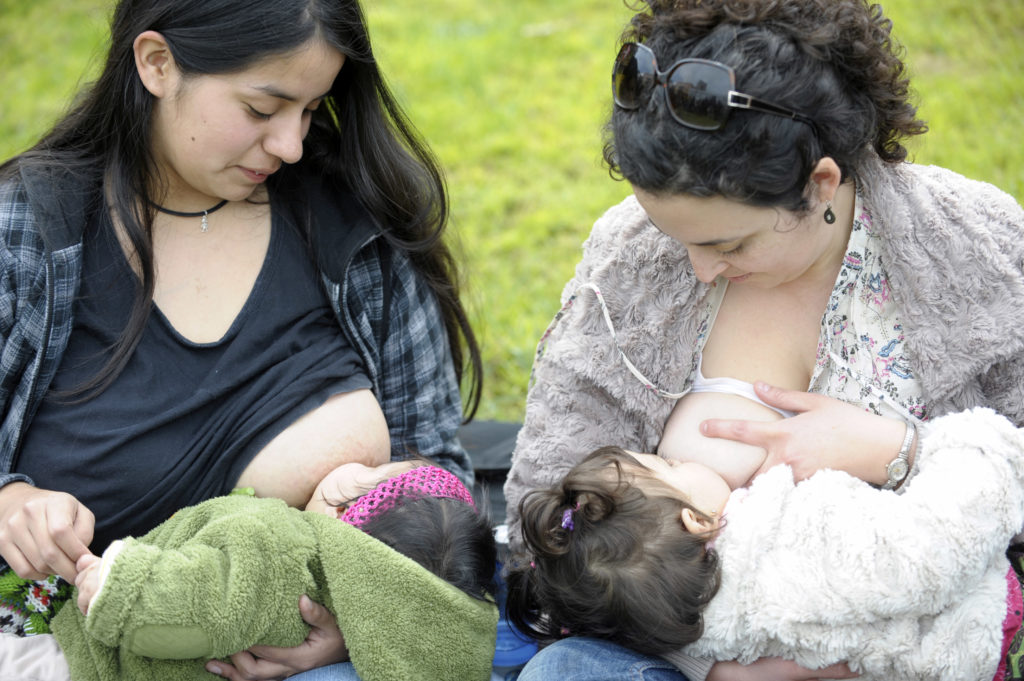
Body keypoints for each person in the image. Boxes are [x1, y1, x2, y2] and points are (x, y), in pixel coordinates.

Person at [504, 0, 1024, 678]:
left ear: (819, 184)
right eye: (674, 236)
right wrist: (705, 657)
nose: (696, 268)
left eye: (727, 242)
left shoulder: (974, 246)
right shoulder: (629, 254)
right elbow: (549, 501)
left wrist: (897, 452)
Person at [0, 0, 482, 678]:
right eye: (263, 109)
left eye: (312, 109)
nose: (290, 144)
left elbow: (439, 475)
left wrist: (360, 617)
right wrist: (11, 501)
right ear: (157, 63)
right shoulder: (30, 229)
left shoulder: (351, 227)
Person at [506, 408, 1024, 681]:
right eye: (669, 464)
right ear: (696, 518)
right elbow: (935, 551)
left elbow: (679, 648)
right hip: (987, 631)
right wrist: (958, 444)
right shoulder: (795, 543)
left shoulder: (673, 616)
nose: (678, 456)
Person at [0, 460, 499, 681]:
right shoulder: (355, 605)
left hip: (84, 659)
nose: (360, 463)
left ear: (349, 525)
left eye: (370, 474)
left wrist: (117, 585)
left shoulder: (281, 547)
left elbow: (203, 600)